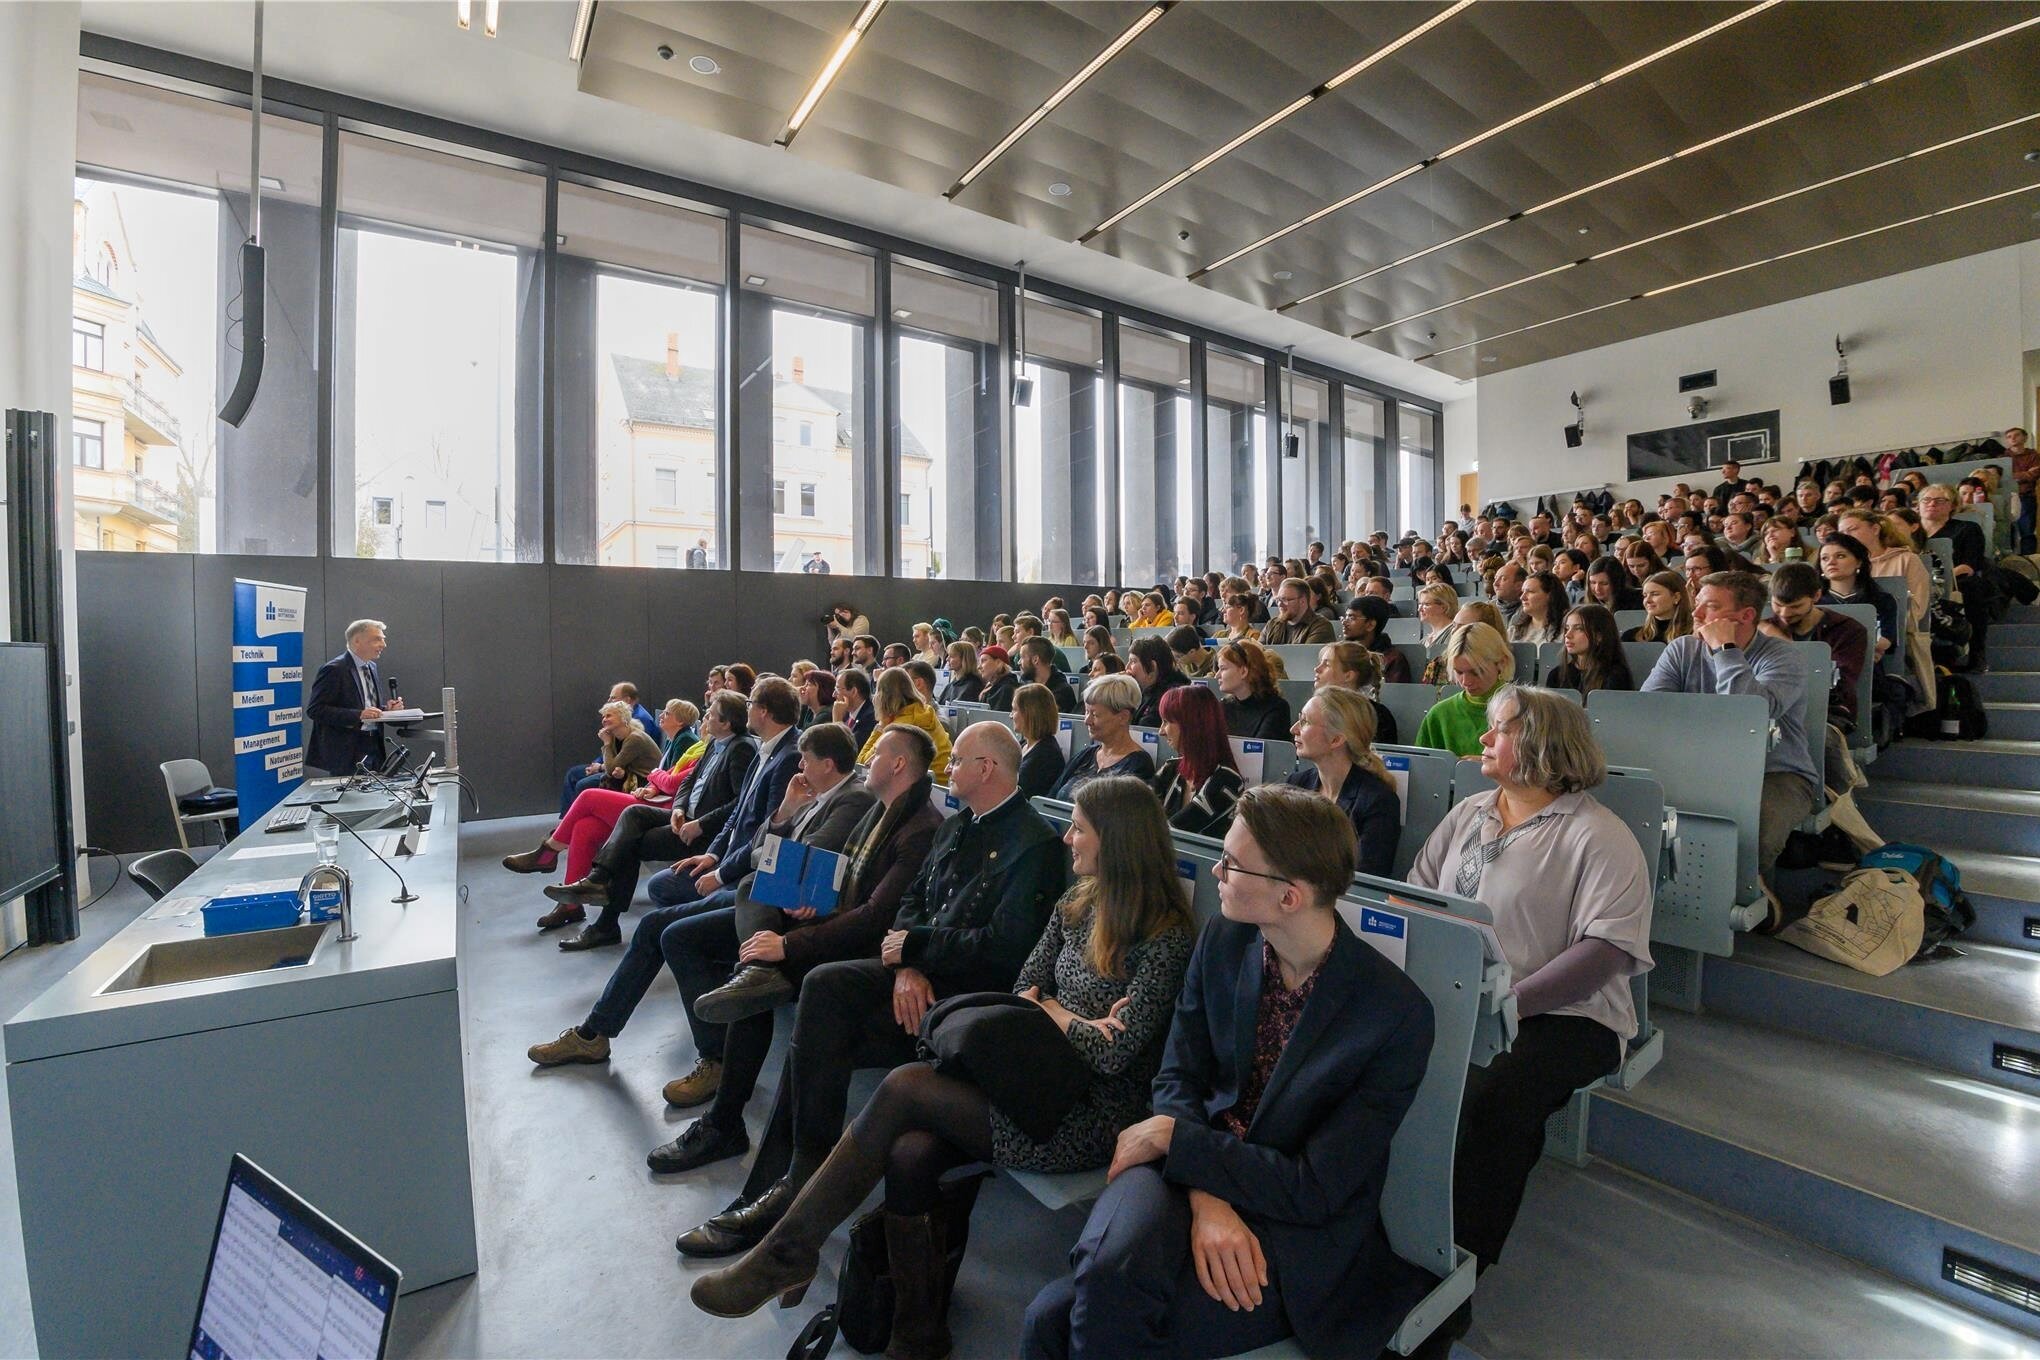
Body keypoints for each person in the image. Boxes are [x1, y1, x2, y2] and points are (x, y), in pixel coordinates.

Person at [694, 777, 1192, 1350]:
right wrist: (1064, 1013)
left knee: (906, 1087)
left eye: (1080, 828)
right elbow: (1026, 986)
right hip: (1026, 1073)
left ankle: (786, 1251)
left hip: (1085, 1112)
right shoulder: (1076, 903)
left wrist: (1050, 1013)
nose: (1068, 839)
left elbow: (1113, 1055)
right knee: (908, 1155)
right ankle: (916, 1332)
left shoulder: (1165, 938)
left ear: (1118, 839)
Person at [1022, 785, 1434, 1360]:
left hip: (1285, 1221)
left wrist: (1179, 1141)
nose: (1215, 870)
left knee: (1056, 1322)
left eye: (1233, 863)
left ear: (1289, 897)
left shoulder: (1393, 1015)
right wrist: (1204, 1194)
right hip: (1187, 1166)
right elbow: (1177, 1078)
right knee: (1091, 1285)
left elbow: (1314, 1186)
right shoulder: (1226, 938)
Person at [678, 723, 1070, 1259]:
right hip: (918, 978)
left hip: (963, 1002)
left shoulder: (1035, 843)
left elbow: (1005, 949)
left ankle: (785, 1189)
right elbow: (912, 901)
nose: (947, 770)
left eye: (957, 761)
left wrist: (914, 951)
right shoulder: (960, 824)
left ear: (988, 769)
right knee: (821, 1001)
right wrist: (909, 959)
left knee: (817, 1026)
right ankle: (791, 1182)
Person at [528, 723, 876, 1144]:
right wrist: (785, 809)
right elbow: (764, 843)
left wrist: (759, 849)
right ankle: (597, 1034)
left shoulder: (852, 798)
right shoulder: (811, 793)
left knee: (673, 933)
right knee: (659, 923)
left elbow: (791, 860)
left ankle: (708, 1056)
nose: (799, 767)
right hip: (759, 895)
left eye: (806, 760)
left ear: (828, 763)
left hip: (779, 909)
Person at [1405, 686, 1651, 1285]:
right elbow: (1415, 892)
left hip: (1568, 1016)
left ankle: (1457, 1267)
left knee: (1495, 1096)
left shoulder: (1598, 834)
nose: (1484, 740)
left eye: (1499, 729)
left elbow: (1606, 952)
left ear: (1540, 742)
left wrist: (1507, 1003)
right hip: (1466, 997)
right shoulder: (1469, 812)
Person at [1643, 572, 1818, 902]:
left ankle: (1734, 899)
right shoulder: (1682, 649)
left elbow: (1748, 716)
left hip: (1776, 773)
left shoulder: (1784, 657)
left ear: (1746, 615)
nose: (1695, 616)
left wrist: (1726, 650)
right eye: (1696, 606)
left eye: (1708, 607)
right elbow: (1651, 711)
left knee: (1757, 833)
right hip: (1698, 768)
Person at [504, 701, 700, 901]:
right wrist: (653, 782)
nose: (662, 715)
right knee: (585, 826)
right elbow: (665, 775)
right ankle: (570, 906)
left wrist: (653, 776)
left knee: (588, 794)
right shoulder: (683, 742)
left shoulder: (688, 741)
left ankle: (549, 851)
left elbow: (672, 780)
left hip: (666, 808)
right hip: (652, 796)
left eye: (667, 713)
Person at [1287, 686, 1399, 876]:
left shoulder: (1378, 801)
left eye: (1305, 722)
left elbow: (1366, 882)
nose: (1294, 729)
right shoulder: (1295, 784)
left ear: (1336, 740)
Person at [1839, 508, 1934, 705]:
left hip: (1892, 634)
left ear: (1875, 529)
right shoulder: (1842, 566)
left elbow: (1916, 608)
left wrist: (1879, 636)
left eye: (1852, 529)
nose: (1846, 537)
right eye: (1842, 532)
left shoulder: (1906, 560)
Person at [1762, 562, 1868, 732]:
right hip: (1775, 705)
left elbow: (1837, 684)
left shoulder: (1847, 630)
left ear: (1817, 596)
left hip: (1827, 708)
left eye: (1795, 606)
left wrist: (1783, 642)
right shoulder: (1762, 628)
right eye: (1778, 605)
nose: (1784, 614)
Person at [306, 618, 406, 777]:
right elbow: (315, 710)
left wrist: (387, 711)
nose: (383, 645)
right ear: (357, 641)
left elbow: (367, 706)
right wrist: (358, 715)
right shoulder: (334, 669)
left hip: (374, 746)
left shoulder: (371, 666)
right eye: (377, 639)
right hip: (347, 750)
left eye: (383, 640)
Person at [1918, 482, 1994, 670]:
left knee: (1972, 587)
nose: (1931, 504)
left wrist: (1941, 578)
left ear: (1952, 506)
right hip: (1916, 582)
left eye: (1939, 500)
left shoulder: (1967, 529)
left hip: (1954, 579)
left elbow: (1969, 565)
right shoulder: (1909, 532)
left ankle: (1977, 652)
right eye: (1926, 500)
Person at [1151, 684, 1245, 837]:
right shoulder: (1171, 768)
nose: (1160, 731)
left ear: (1191, 725)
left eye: (1166, 722)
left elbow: (1175, 832)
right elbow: (1137, 811)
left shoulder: (1227, 781)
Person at [1415, 622, 1514, 757]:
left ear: (1501, 663)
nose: (1466, 682)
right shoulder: (1439, 715)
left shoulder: (1526, 711)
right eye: (1459, 672)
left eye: (1477, 672)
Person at [1054, 674, 1157, 798]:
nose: (1087, 720)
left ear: (1123, 717)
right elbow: (1049, 799)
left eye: (1095, 714)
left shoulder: (1138, 765)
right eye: (1086, 712)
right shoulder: (1084, 756)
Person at [856, 667, 952, 783]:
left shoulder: (899, 727)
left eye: (877, 691)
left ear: (883, 697)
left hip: (926, 790)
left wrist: (880, 727)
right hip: (943, 785)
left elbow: (862, 764)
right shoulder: (925, 711)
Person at [1817, 533, 1897, 663]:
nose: (1831, 562)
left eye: (1840, 556)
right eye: (1825, 558)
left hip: (1869, 666)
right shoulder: (1814, 602)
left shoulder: (1881, 599)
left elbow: (1886, 639)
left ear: (1858, 562)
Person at [1314, 641, 1399, 745]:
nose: (1317, 669)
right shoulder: (1314, 709)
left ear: (1348, 676)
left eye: (1327, 664)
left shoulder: (1377, 717)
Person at [1545, 604, 1633, 697]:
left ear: (1599, 636)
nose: (1568, 635)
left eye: (1579, 628)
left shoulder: (1615, 676)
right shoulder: (1556, 675)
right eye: (1566, 628)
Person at [1213, 640, 1291, 740]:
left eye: (1223, 668)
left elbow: (1262, 752)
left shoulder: (1277, 708)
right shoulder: (1224, 706)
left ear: (1243, 671)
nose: (1217, 675)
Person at [1015, 683, 1070, 799]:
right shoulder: (1024, 745)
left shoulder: (1047, 755)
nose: (1011, 715)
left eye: (1015, 710)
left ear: (1029, 714)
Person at [1127, 634, 1190, 729]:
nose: (1127, 667)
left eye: (1133, 661)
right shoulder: (1145, 690)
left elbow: (1144, 730)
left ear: (1152, 666)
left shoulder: (1172, 696)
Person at [1344, 595, 1411, 684]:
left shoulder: (1392, 660)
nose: (1344, 622)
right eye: (1345, 617)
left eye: (1352, 618)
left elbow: (1391, 695)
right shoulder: (1341, 653)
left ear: (1370, 625)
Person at [1258, 576, 1334, 646]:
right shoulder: (1272, 624)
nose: (1280, 604)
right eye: (1278, 600)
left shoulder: (1321, 626)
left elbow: (1303, 657)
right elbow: (1259, 653)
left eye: (1285, 600)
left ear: (1302, 601)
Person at [1016, 635, 1079, 712]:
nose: (1019, 662)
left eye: (1022, 657)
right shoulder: (1023, 684)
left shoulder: (1062, 692)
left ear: (1035, 660)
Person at [1625, 571, 1692, 643]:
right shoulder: (1631, 637)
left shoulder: (1692, 635)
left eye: (1655, 594)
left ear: (1676, 597)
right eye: (1645, 595)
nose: (1647, 600)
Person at [1507, 570, 1564, 644]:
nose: (1522, 597)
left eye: (1530, 592)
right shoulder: (1513, 632)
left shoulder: (1566, 631)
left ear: (1550, 596)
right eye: (1522, 592)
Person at [938, 641, 983, 705]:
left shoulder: (973, 685)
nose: (947, 659)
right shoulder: (951, 684)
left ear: (964, 659)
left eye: (952, 656)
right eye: (948, 655)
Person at [977, 644, 1019, 711]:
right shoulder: (992, 686)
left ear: (998, 663)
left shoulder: (1006, 689)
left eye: (984, 661)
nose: (979, 667)